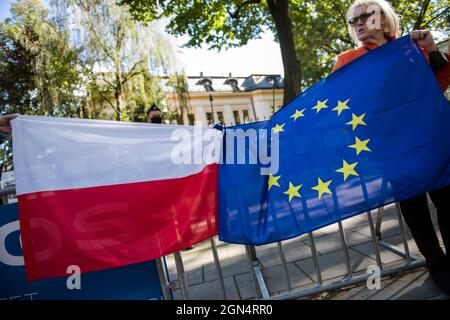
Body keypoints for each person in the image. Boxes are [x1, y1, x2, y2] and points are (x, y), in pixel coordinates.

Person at [332, 0, 450, 293]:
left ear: (383, 20)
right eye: (353, 21)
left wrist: (431, 47)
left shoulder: (411, 48)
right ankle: (436, 263)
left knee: (447, 200)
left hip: (429, 138)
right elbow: (340, 107)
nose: (358, 23)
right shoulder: (346, 61)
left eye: (365, 16)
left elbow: (441, 84)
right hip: (391, 147)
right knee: (414, 207)